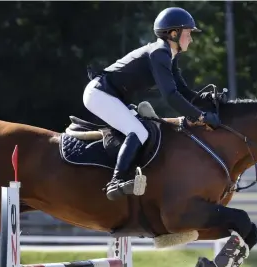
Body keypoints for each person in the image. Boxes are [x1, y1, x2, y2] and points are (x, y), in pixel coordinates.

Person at [83, 7, 222, 201]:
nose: (191, 38)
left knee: (145, 129)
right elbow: (171, 96)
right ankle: (116, 180)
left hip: (111, 96)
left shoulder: (168, 55)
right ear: (174, 34)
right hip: (100, 94)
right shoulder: (159, 53)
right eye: (188, 33)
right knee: (139, 132)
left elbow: (182, 90)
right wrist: (199, 116)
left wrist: (204, 101)